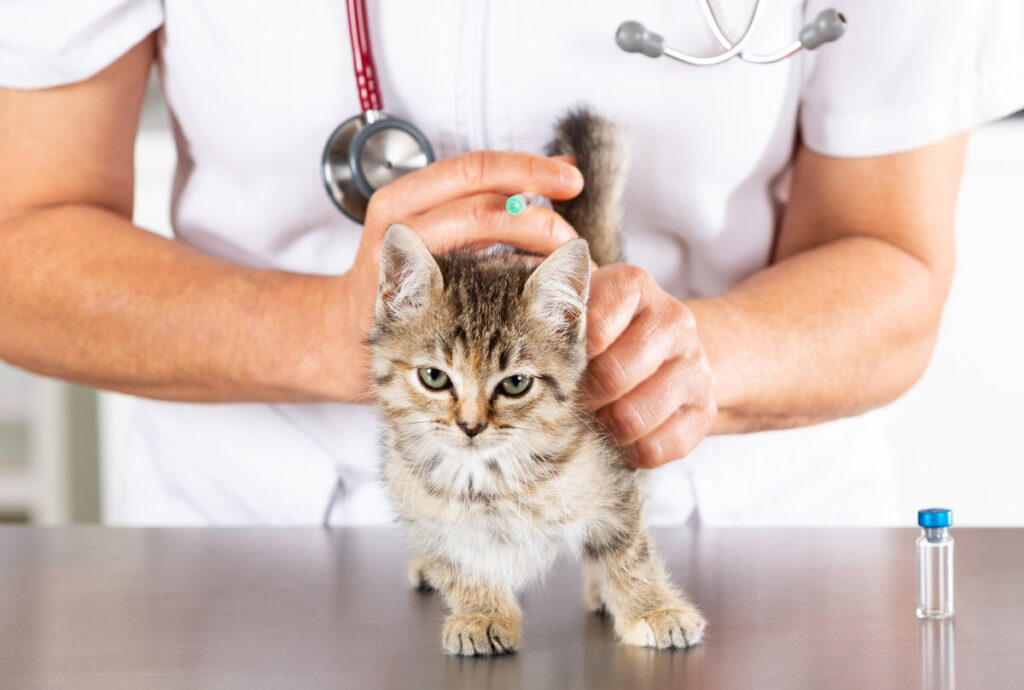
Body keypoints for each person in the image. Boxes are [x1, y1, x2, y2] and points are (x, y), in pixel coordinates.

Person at [1, 1, 1021, 526]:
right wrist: (319, 334)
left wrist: (699, 360)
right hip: (260, 544)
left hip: (728, 548)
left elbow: (890, 258)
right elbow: (24, 237)